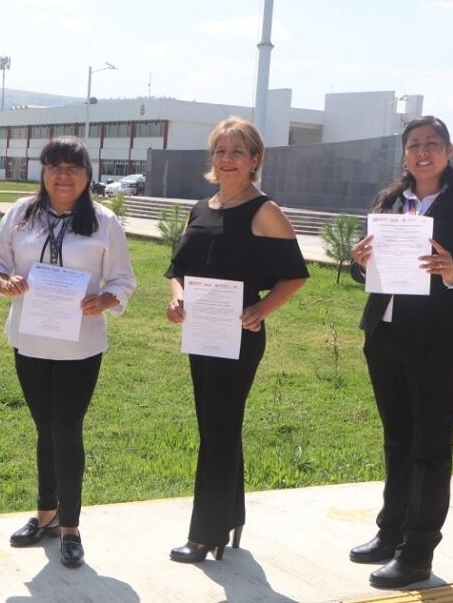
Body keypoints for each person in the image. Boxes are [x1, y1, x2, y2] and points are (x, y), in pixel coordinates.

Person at [348, 116, 453, 588]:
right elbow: (364, 271)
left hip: (436, 341)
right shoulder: (389, 200)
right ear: (404, 154)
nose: (422, 151)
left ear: (449, 151)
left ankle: (417, 553)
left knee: (430, 448)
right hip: (384, 335)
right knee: (396, 441)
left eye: (432, 143)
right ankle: (390, 532)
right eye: (414, 144)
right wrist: (360, 264)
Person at [0, 136, 136, 568]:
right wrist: (2, 282)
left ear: (88, 175)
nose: (63, 175)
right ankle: (45, 514)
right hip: (30, 340)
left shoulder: (104, 222)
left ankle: (70, 527)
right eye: (54, 166)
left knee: (66, 430)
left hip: (79, 346)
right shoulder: (21, 215)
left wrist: (106, 300)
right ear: (43, 171)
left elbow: (123, 279)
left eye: (73, 167)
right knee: (44, 429)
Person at [164, 116, 309, 563]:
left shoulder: (265, 211)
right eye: (220, 151)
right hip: (201, 333)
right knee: (217, 426)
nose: (227, 159)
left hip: (239, 336)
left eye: (237, 152)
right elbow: (178, 270)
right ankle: (231, 515)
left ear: (254, 159)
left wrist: (262, 310)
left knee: (218, 429)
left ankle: (204, 534)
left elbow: (295, 275)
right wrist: (177, 298)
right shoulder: (200, 208)